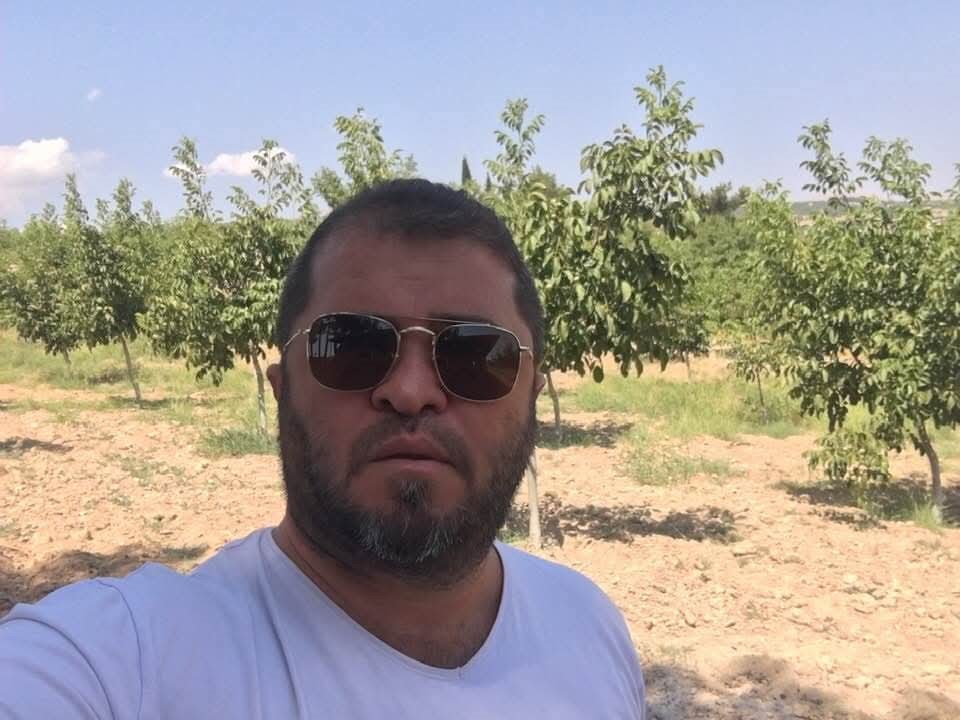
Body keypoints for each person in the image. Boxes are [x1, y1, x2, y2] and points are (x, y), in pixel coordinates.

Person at [0, 179, 646, 718]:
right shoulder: (123, 664)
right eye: (353, 346)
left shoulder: (587, 625)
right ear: (282, 388)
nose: (411, 391)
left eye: (476, 354)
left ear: (532, 395)